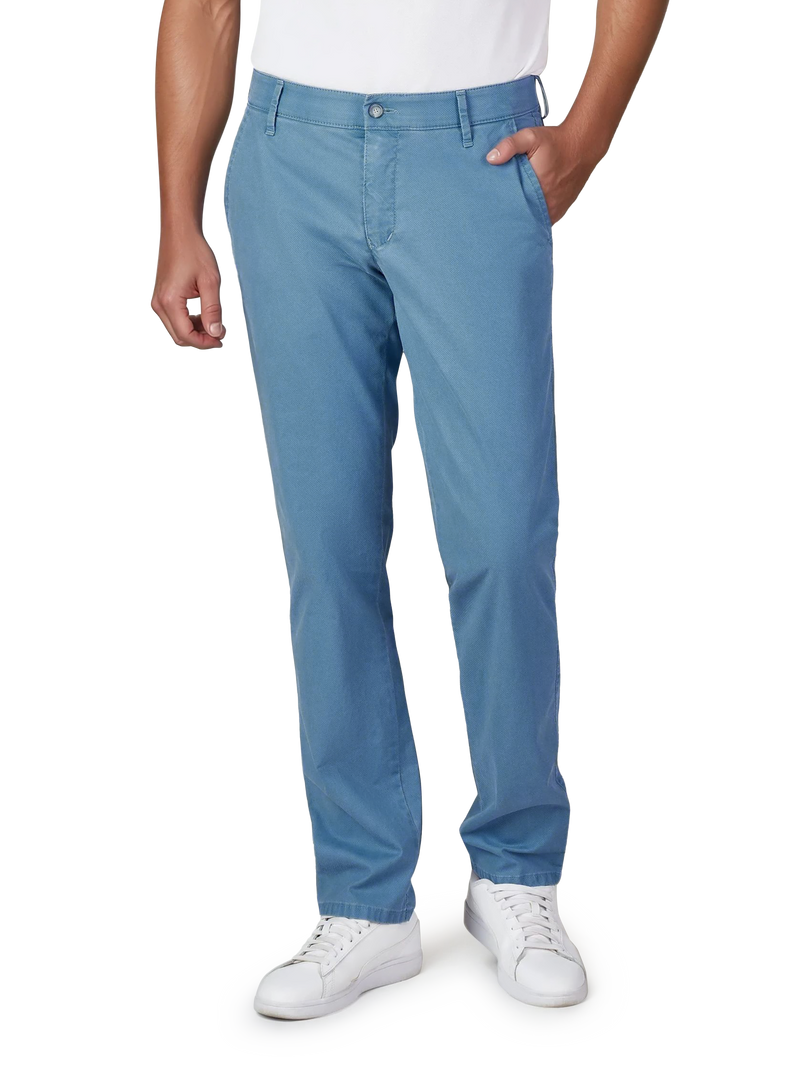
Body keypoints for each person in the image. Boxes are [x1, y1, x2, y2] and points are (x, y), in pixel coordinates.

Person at [152, 0, 669, 1020]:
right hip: (288, 150)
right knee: (328, 547)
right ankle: (362, 899)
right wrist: (178, 213)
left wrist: (587, 135)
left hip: (477, 147)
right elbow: (201, 6)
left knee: (503, 536)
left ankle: (516, 870)